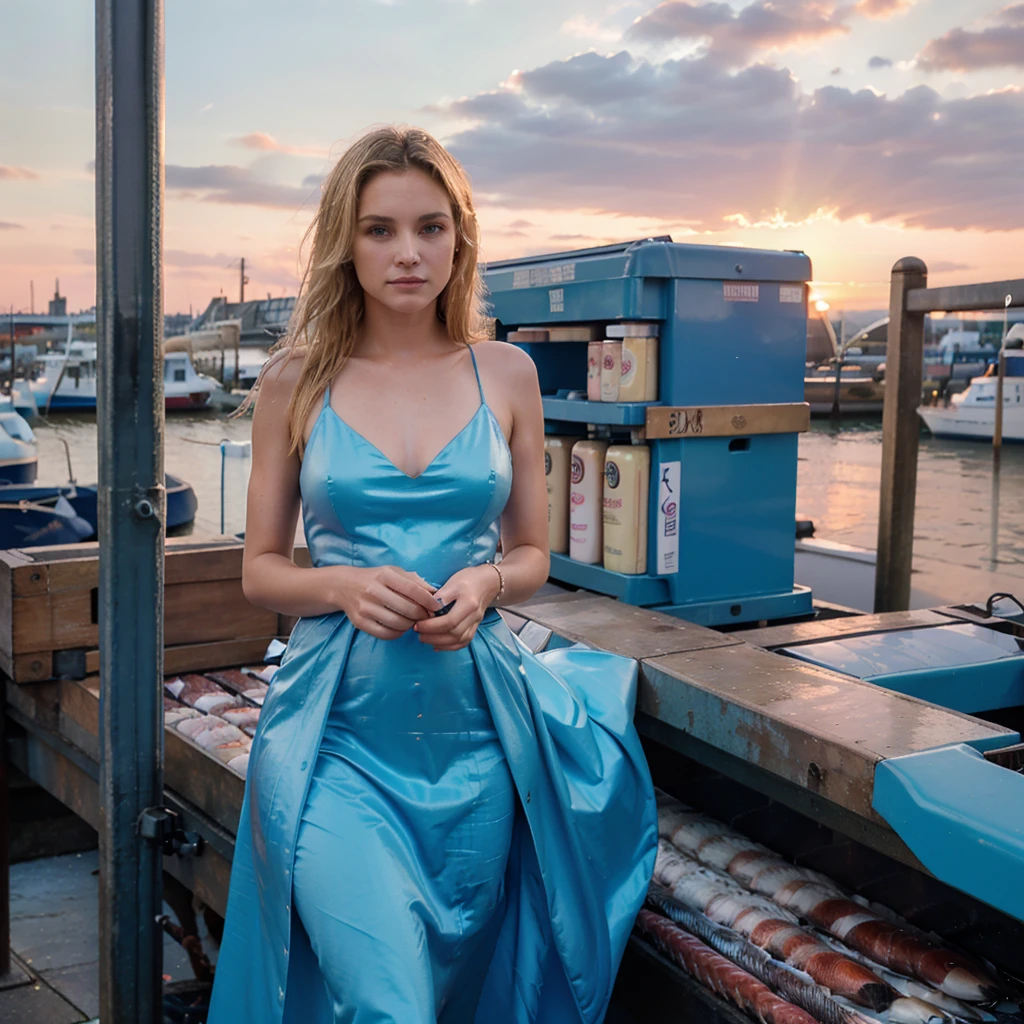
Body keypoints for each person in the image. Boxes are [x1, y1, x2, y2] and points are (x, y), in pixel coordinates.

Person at [206, 125, 657, 1024]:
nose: (408, 253)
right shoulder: (296, 382)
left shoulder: (508, 373)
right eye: (379, 230)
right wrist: (338, 586)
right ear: (346, 241)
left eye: (430, 228)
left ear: (461, 238)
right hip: (339, 735)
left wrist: (488, 584)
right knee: (389, 1003)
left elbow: (534, 555)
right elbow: (260, 571)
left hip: (476, 738)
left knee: (455, 991)